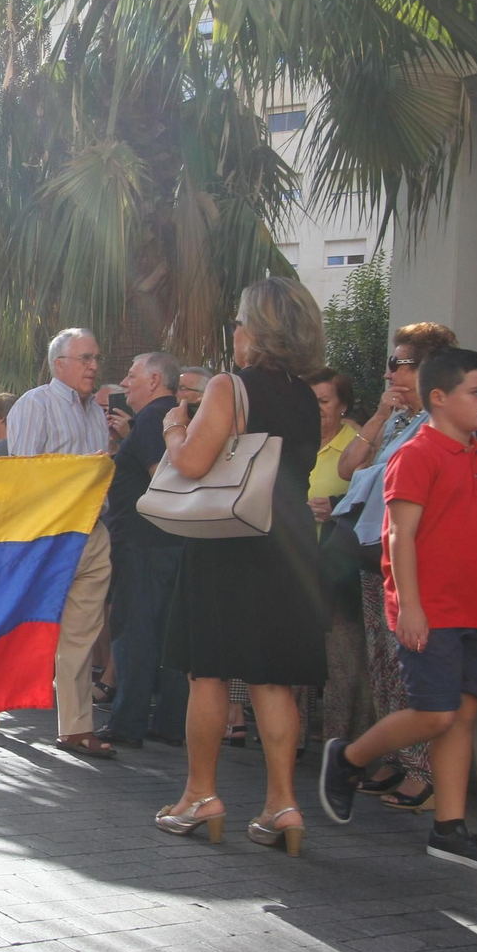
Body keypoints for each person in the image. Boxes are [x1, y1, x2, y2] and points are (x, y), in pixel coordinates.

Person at [319, 348, 477, 875]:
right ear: (439, 397)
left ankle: (449, 828)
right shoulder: (416, 454)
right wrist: (408, 605)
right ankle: (349, 758)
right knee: (436, 712)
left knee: (462, 716)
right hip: (432, 608)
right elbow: (398, 534)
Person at [156, 278, 326, 856]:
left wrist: (174, 430)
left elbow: (193, 462)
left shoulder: (229, 385)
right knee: (270, 677)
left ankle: (199, 796)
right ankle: (283, 804)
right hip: (289, 543)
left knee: (207, 672)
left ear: (256, 329)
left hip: (229, 540)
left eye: (238, 321)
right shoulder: (306, 396)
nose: (234, 331)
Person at [332, 322, 458, 810]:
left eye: (398, 364)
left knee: (411, 662)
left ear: (427, 369)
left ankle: (424, 770)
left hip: (415, 558)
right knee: (382, 662)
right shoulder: (399, 420)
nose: (389, 373)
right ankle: (397, 756)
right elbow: (348, 469)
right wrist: (381, 415)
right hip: (374, 552)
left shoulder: (443, 421)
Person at [8, 329, 116, 758]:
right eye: (85, 358)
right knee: (22, 624)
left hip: (93, 531)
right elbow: (23, 474)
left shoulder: (95, 414)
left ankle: (76, 727)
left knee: (81, 635)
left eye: (96, 357)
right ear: (59, 364)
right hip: (49, 534)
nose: (94, 366)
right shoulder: (35, 404)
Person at [95, 353, 186, 749]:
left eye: (132, 376)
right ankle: (169, 722)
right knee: (166, 634)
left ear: (154, 379)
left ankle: (128, 722)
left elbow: (161, 477)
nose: (125, 384)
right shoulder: (172, 417)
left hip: (143, 543)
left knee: (133, 632)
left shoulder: (152, 418)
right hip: (168, 541)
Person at [304, 368, 369, 742]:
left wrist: (338, 507)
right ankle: (290, 740)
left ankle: (340, 743)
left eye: (324, 401)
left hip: (339, 570)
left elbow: (370, 499)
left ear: (343, 405)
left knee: (342, 658)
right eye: (309, 401)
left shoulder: (358, 446)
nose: (316, 409)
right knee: (294, 654)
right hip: (296, 564)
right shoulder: (295, 440)